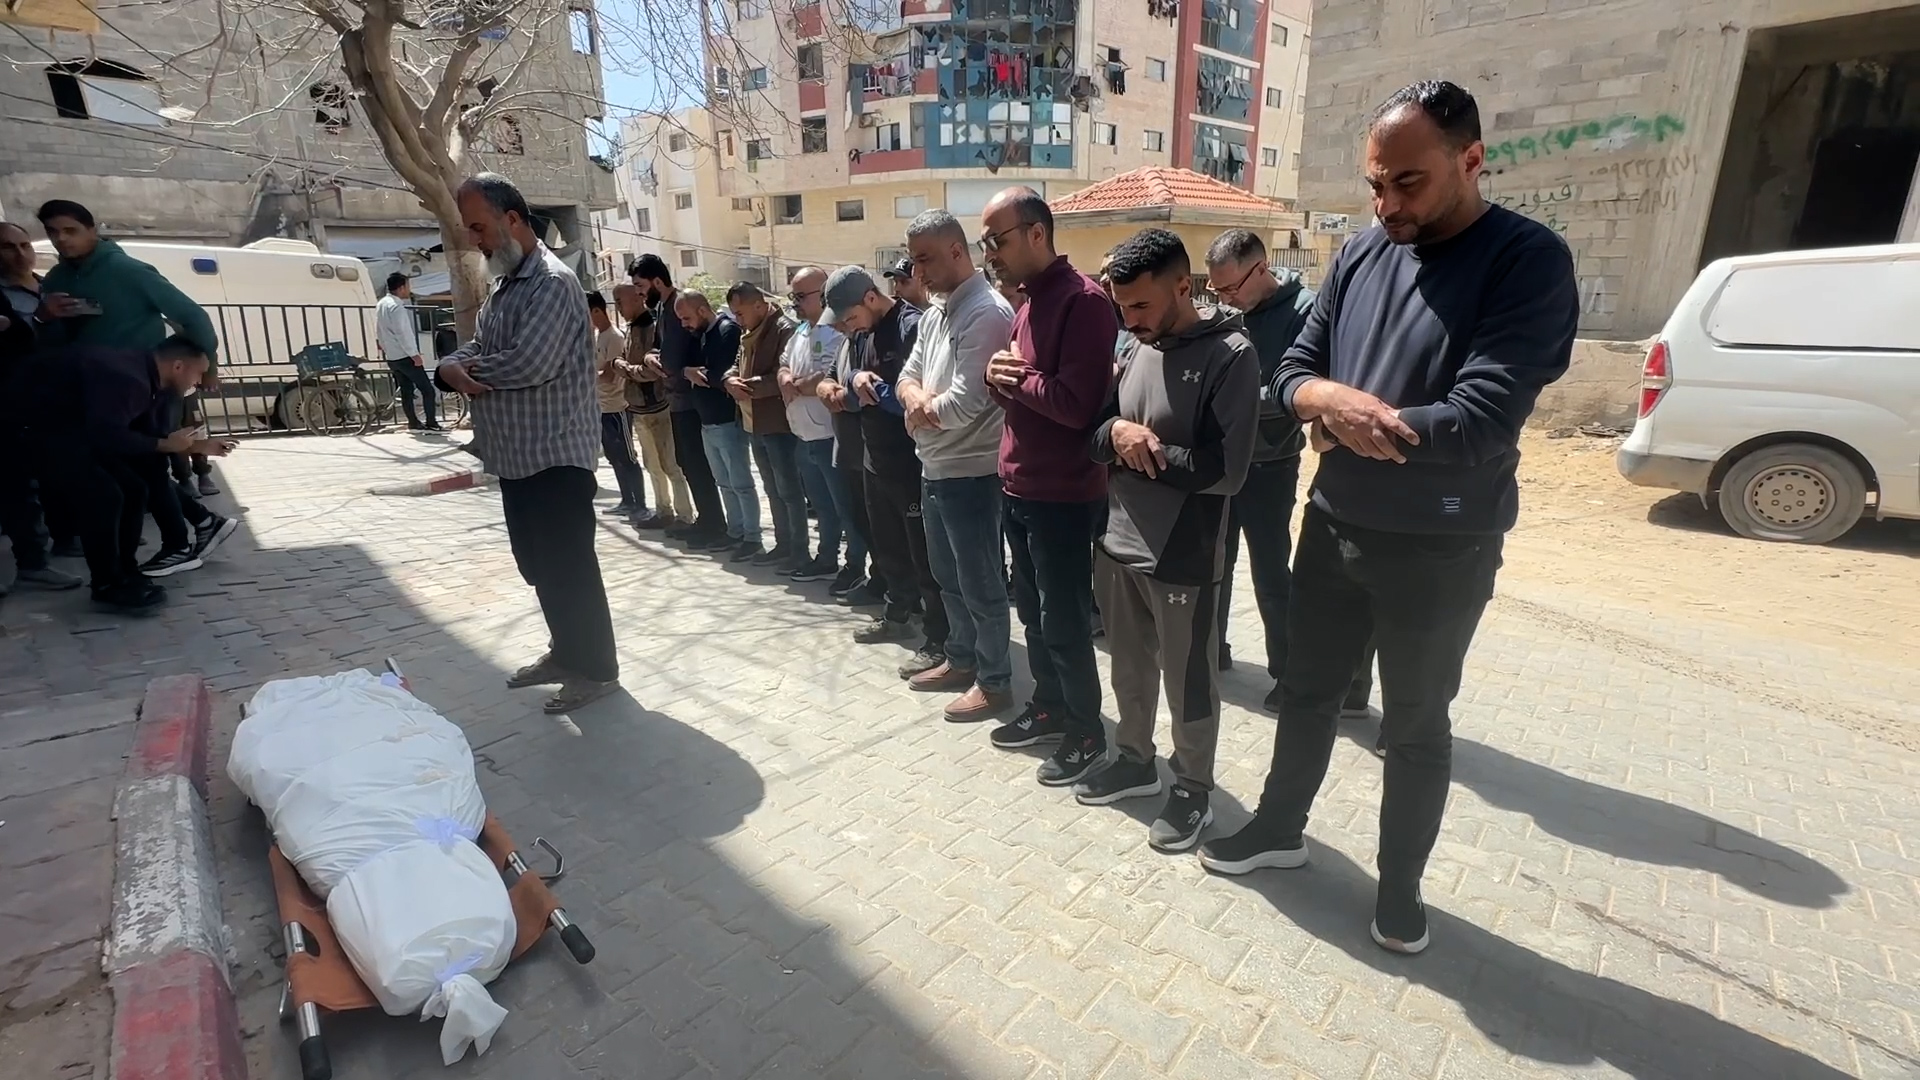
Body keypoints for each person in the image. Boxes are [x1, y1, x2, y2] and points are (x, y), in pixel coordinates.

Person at [1197, 81, 1579, 956]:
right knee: (1307, 695)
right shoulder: (1364, 253)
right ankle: (1279, 828)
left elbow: (1481, 420)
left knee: (1413, 725)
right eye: (1375, 184)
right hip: (1334, 521)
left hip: (1443, 546)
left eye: (1408, 183)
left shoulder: (1526, 260)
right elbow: (1292, 370)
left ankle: (1400, 888)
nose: (1387, 204)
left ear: (1471, 161)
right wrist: (1326, 401)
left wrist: (1342, 421)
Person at [1075, 229, 1259, 851]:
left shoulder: (1231, 354)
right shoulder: (1133, 344)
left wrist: (1140, 448)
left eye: (1141, 305)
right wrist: (1117, 434)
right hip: (1117, 539)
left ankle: (1193, 789)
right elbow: (1094, 431)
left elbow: (1226, 471)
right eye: (1121, 306)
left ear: (1183, 286)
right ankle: (1133, 760)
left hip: (1184, 551)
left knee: (1188, 682)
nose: (1129, 319)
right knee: (1128, 668)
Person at [435, 173, 620, 714]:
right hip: (516, 458)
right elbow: (481, 345)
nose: (474, 240)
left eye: (478, 227)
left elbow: (528, 363)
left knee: (569, 570)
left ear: (511, 219)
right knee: (538, 567)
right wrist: (451, 365)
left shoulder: (553, 283)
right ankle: (566, 653)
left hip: (555, 458)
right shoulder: (504, 286)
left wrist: (459, 374)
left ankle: (597, 671)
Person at [977, 186, 1117, 787]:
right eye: (985, 242)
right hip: (1020, 486)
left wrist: (1015, 379)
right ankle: (1050, 706)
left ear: (1037, 233)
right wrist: (995, 378)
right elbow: (1021, 393)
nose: (990, 254)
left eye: (997, 240)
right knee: (1032, 614)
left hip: (1063, 495)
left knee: (1063, 621)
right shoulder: (1027, 303)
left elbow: (1076, 404)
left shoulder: (1083, 302)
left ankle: (1087, 732)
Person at [894, 210, 1016, 721]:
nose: (917, 272)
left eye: (924, 259)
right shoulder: (935, 314)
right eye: (914, 260)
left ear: (957, 251)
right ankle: (961, 657)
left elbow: (968, 403)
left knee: (981, 583)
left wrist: (920, 411)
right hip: (936, 468)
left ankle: (995, 681)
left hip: (973, 474)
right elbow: (906, 377)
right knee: (948, 577)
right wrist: (917, 400)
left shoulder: (986, 312)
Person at [9, 336, 233, 611]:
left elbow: (133, 433)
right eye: (198, 373)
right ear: (178, 366)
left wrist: (191, 445)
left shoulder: (143, 374)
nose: (197, 382)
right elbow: (109, 436)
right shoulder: (129, 378)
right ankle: (107, 585)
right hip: (26, 429)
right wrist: (165, 444)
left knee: (135, 489)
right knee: (104, 495)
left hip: (67, 429)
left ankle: (125, 571)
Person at [35, 200, 223, 498]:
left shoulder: (127, 271)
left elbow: (193, 317)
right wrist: (45, 317)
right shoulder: (56, 280)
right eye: (52, 232)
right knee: (120, 472)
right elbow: (54, 342)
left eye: (71, 230)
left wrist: (208, 366)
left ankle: (194, 494)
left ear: (92, 230)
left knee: (155, 462)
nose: (61, 239)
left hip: (145, 384)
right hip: (94, 389)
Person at [1201, 229, 1315, 694]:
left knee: (1270, 572)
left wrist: (1233, 399)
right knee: (1215, 564)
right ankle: (1212, 651)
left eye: (1230, 288)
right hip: (1223, 458)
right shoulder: (1230, 312)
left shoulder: (1305, 311)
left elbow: (1301, 391)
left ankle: (1288, 675)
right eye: (1216, 290)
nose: (1224, 299)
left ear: (1261, 269)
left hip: (1271, 462)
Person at [823, 265, 946, 676]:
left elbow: (924, 396)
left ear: (871, 298)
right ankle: (897, 613)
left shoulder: (912, 326)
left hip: (911, 463)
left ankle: (939, 638)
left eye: (850, 318)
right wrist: (853, 378)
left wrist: (873, 388)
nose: (847, 328)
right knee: (888, 548)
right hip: (874, 459)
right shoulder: (862, 332)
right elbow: (846, 380)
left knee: (924, 557)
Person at [630, 256, 728, 546]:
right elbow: (657, 351)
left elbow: (673, 358)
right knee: (686, 462)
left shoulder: (678, 306)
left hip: (690, 400)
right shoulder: (662, 309)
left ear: (657, 282)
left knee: (697, 464)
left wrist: (664, 362)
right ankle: (706, 520)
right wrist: (650, 357)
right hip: (675, 399)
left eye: (640, 285)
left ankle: (714, 525)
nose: (638, 293)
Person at [777, 267, 862, 590]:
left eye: (801, 296)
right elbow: (784, 364)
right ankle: (827, 558)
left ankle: (856, 565)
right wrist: (787, 378)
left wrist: (798, 385)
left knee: (846, 508)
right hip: (804, 436)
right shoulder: (799, 331)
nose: (795, 303)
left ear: (822, 294)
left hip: (830, 436)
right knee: (822, 507)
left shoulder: (836, 331)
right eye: (793, 296)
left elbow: (827, 377)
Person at [724, 282, 805, 569]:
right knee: (772, 488)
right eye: (734, 314)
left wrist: (748, 386)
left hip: (778, 423)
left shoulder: (784, 329)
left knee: (789, 491)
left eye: (740, 313)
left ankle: (799, 551)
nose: (737, 320)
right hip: (754, 422)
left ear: (759, 305)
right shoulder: (748, 332)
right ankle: (783, 545)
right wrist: (729, 379)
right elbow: (736, 363)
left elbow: (784, 375)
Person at [673, 291, 760, 559]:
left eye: (687, 318)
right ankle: (734, 531)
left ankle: (752, 536)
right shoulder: (699, 334)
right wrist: (688, 371)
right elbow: (686, 366)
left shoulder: (726, 330)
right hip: (707, 420)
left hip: (726, 419)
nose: (685, 325)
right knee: (724, 482)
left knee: (740, 483)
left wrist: (697, 373)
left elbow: (722, 373)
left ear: (702, 310)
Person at [611, 284, 682, 528]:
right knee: (652, 465)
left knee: (670, 465)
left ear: (636, 298)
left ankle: (684, 515)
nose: (618, 308)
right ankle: (663, 511)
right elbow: (620, 359)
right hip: (638, 408)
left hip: (659, 406)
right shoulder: (630, 329)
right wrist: (624, 366)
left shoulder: (653, 326)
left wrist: (625, 369)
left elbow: (652, 370)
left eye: (620, 302)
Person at [588, 291, 649, 523]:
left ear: (596, 310)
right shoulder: (598, 336)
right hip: (601, 407)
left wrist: (587, 377)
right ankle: (627, 500)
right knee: (614, 457)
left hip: (618, 406)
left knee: (627, 456)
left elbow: (610, 375)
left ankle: (640, 503)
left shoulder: (614, 337)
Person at [377, 272, 439, 432]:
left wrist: (385, 347)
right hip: (405, 355)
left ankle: (413, 422)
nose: (409, 289)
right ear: (401, 287)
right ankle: (431, 423)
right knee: (427, 389)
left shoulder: (382, 304)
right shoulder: (396, 307)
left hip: (392, 356)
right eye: (407, 286)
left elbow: (379, 330)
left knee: (406, 390)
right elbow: (403, 333)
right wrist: (414, 354)